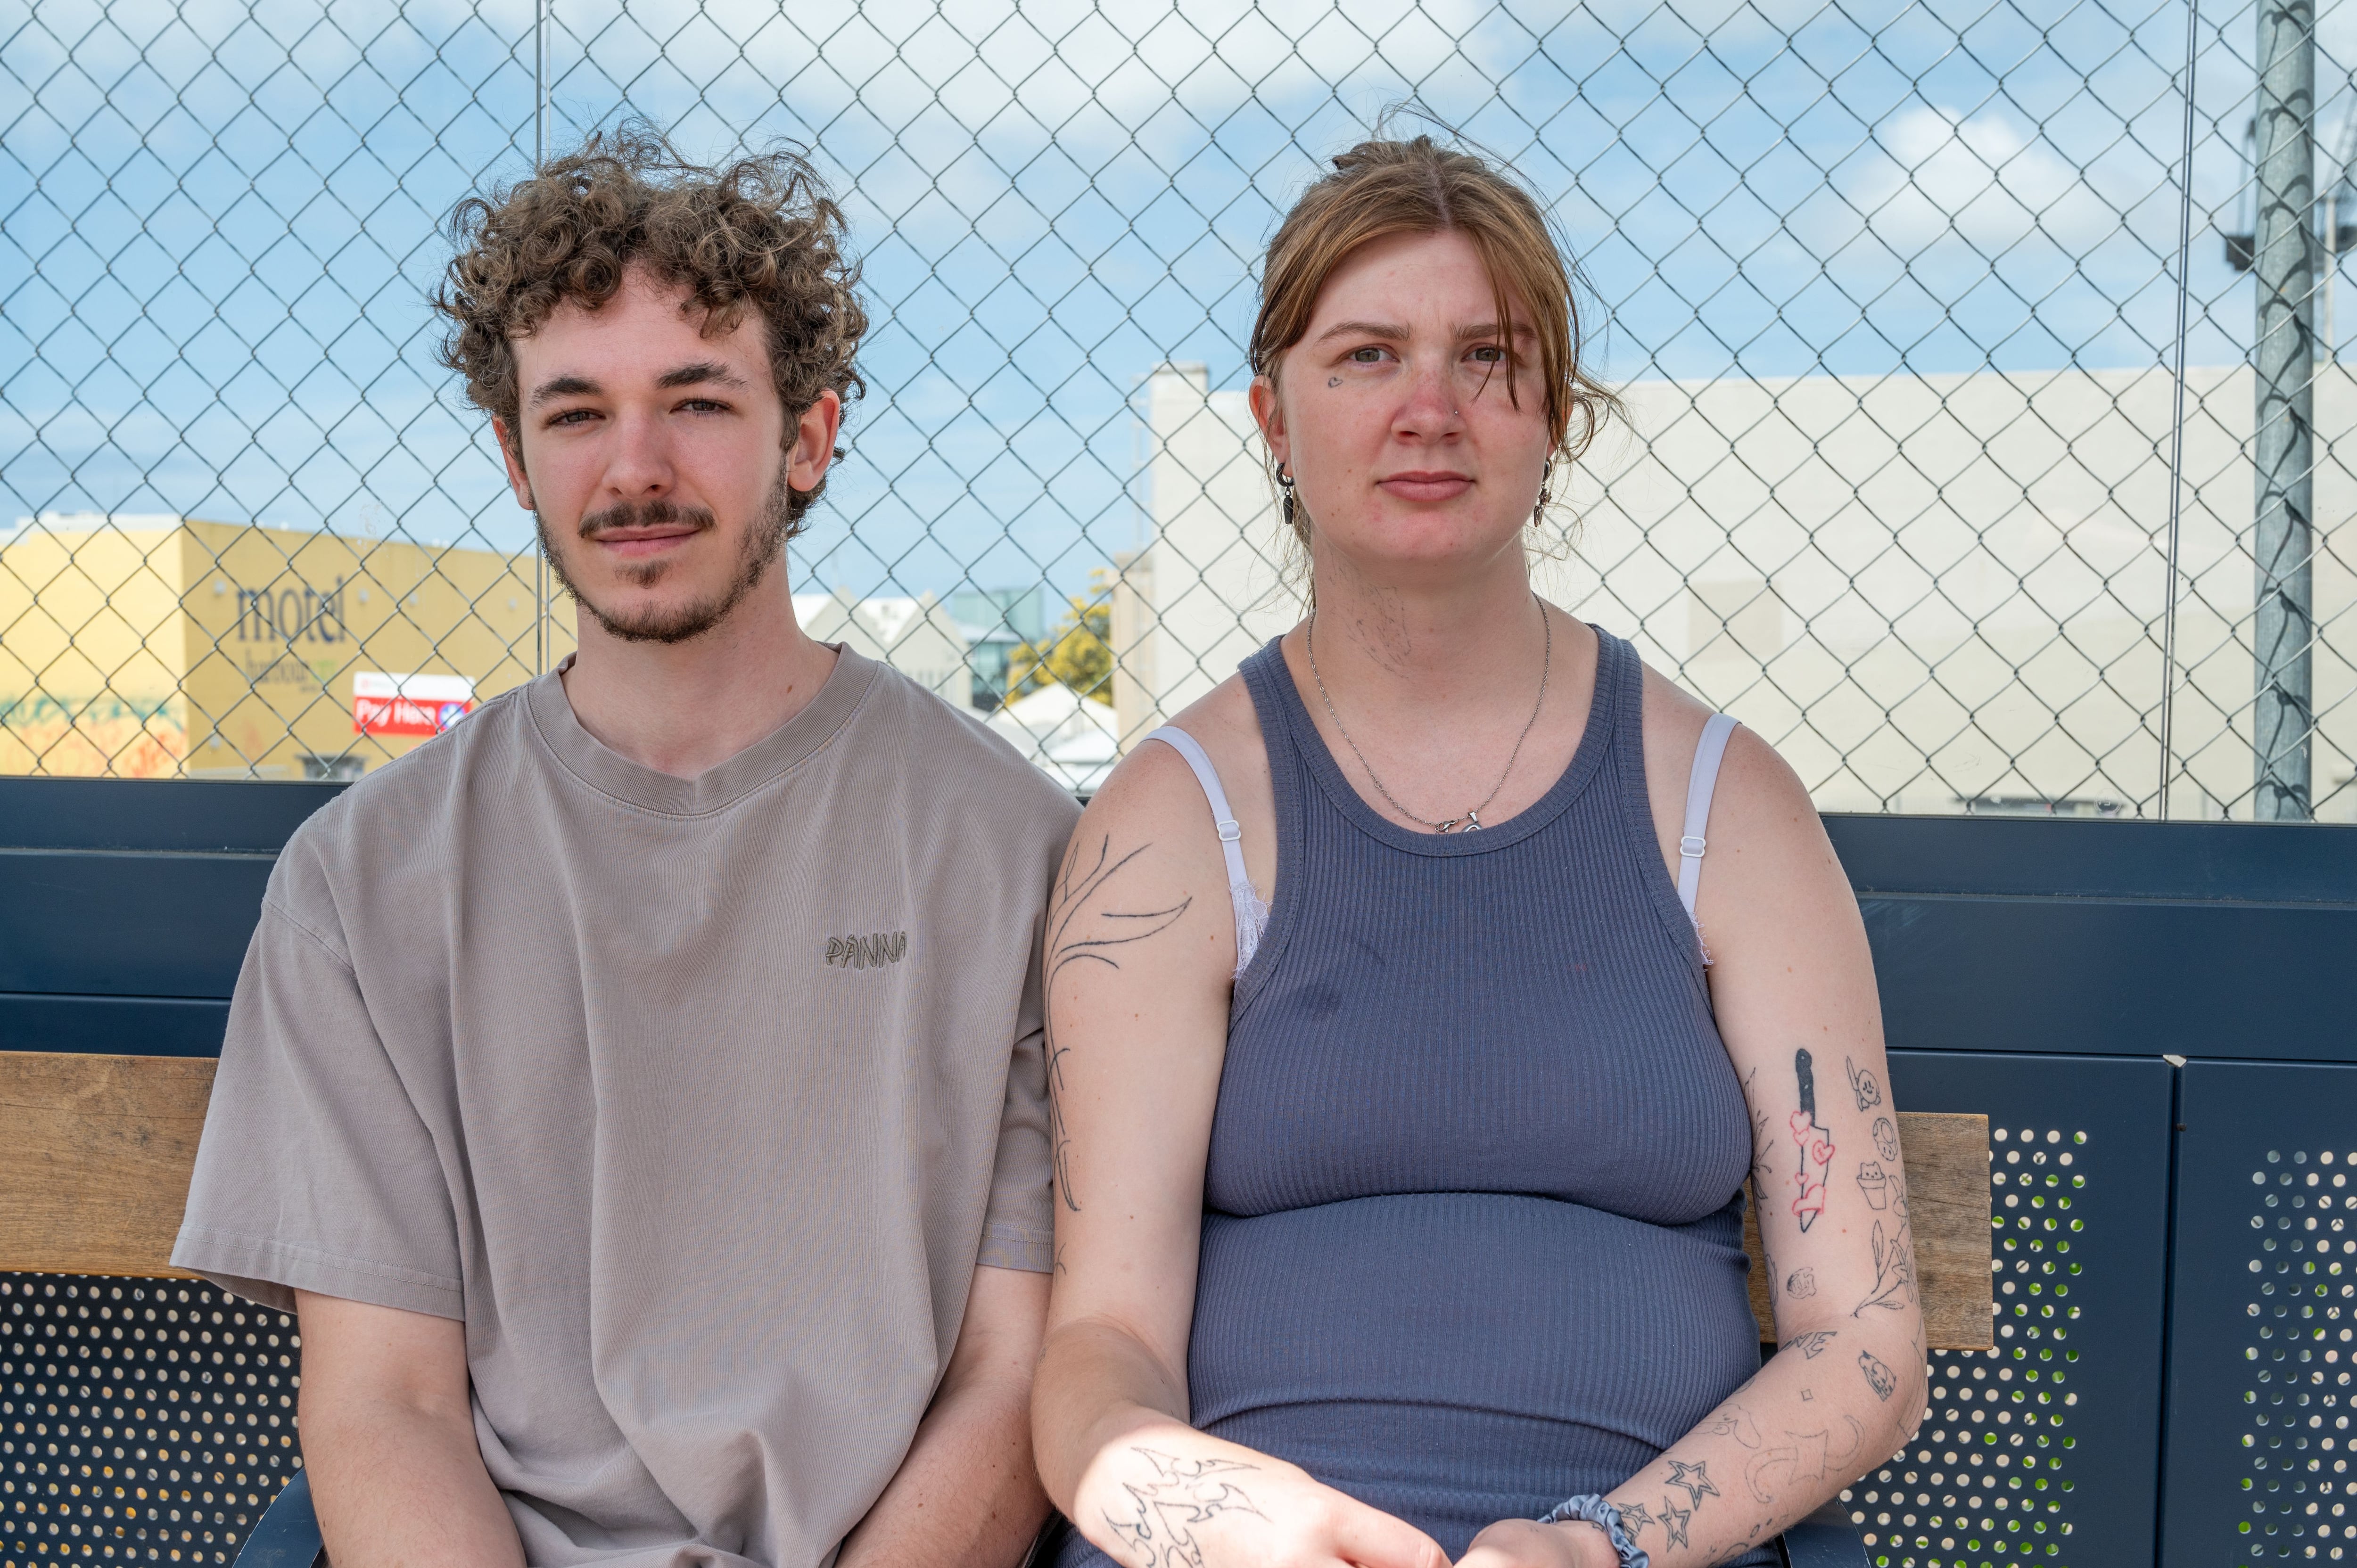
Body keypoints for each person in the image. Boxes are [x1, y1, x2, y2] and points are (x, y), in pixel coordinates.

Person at [172, 129, 1078, 1568]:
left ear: (810, 437)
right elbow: (386, 1408)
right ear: (514, 456)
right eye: (577, 411)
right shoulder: (362, 886)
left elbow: (1011, 1373)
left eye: (699, 401)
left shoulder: (1016, 847)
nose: (635, 468)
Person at [1030, 135, 1928, 1568]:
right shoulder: (1169, 822)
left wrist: (1600, 1548)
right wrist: (1222, 1525)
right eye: (1368, 357)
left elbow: (1867, 1339)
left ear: (1554, 413)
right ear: (1273, 415)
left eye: (1489, 357)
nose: (1430, 410)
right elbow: (1099, 1345)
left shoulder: (1726, 806)